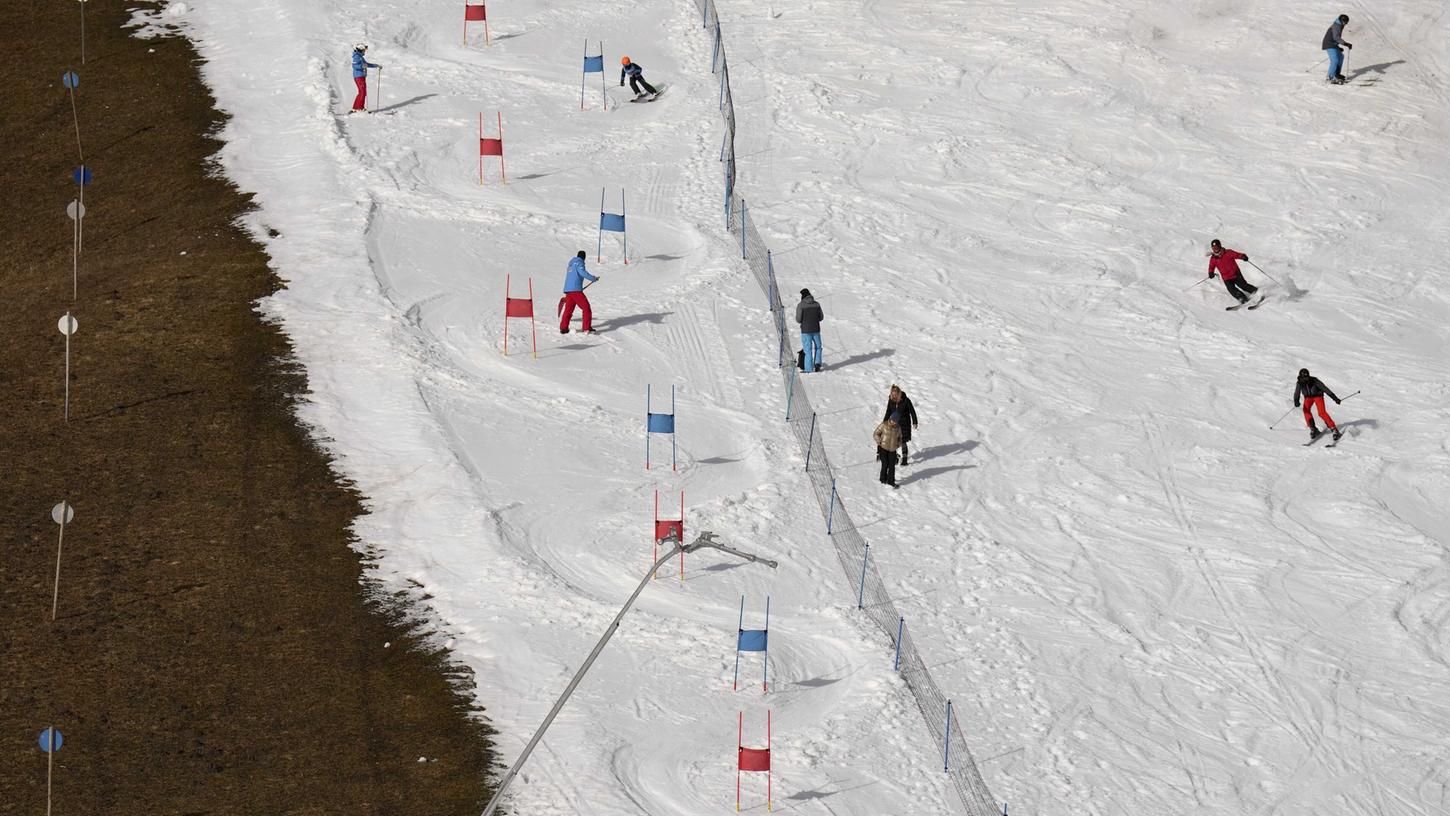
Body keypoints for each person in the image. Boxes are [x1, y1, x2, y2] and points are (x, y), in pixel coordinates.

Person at [1206, 239, 1260, 306]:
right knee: (1232, 290)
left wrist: (1243, 256)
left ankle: (1256, 291)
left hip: (1235, 274)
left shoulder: (1228, 252)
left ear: (1220, 246)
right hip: (1226, 278)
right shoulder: (1213, 258)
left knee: (1243, 285)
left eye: (1216, 247)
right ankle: (1242, 299)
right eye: (1213, 248)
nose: (1215, 249)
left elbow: (1237, 254)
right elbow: (1211, 266)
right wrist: (1210, 272)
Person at [1294, 368, 1342, 441]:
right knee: (1306, 410)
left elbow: (1325, 388)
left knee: (1321, 413)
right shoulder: (1299, 383)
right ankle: (1313, 428)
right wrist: (1296, 400)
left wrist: (1334, 398)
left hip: (1318, 396)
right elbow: (1297, 392)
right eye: (1303, 378)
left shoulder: (1314, 380)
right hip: (1308, 398)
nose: (1305, 379)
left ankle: (1334, 429)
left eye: (1306, 377)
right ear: (1300, 377)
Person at [559, 251, 599, 334]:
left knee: (568, 309)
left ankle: (563, 328)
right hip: (576, 290)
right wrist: (593, 278)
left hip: (568, 290)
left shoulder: (571, 264)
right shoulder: (579, 263)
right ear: (583, 257)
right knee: (586, 307)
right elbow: (583, 273)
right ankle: (586, 328)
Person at [883, 385, 920, 465]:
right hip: (894, 424)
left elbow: (912, 411)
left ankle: (905, 458)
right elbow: (888, 411)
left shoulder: (906, 400)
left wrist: (915, 422)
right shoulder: (891, 400)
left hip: (904, 424)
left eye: (895, 394)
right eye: (892, 394)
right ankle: (895, 457)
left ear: (899, 392)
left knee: (903, 441)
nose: (894, 396)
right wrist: (884, 422)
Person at [796, 289, 824, 372]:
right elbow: (821, 317)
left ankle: (808, 369)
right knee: (818, 347)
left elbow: (798, 319)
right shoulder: (817, 304)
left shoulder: (800, 305)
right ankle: (817, 363)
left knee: (807, 350)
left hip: (805, 331)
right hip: (816, 329)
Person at [1322, 14, 1352, 85]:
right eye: (1345, 22)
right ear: (1341, 21)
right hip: (1329, 44)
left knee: (1341, 57)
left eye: (1346, 23)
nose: (1345, 24)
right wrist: (1345, 44)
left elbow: (1335, 38)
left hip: (1333, 44)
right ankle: (1330, 77)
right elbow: (1336, 37)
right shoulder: (1336, 26)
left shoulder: (1339, 25)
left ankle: (1336, 74)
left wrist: (1338, 47)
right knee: (1335, 60)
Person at [873, 415, 902, 489]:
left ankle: (891, 481)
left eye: (895, 421)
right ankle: (882, 479)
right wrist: (879, 441)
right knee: (885, 464)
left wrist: (898, 444)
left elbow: (900, 438)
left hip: (892, 449)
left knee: (892, 466)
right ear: (890, 419)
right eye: (893, 420)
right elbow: (876, 433)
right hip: (883, 448)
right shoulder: (884, 425)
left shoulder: (898, 428)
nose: (894, 422)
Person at [351, 44, 380, 113]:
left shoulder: (360, 57)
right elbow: (355, 66)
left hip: (362, 76)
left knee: (363, 92)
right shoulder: (356, 57)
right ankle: (357, 108)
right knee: (362, 92)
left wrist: (376, 65)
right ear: (360, 50)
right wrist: (362, 66)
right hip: (358, 76)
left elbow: (366, 64)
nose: (364, 52)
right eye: (364, 50)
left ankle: (359, 107)